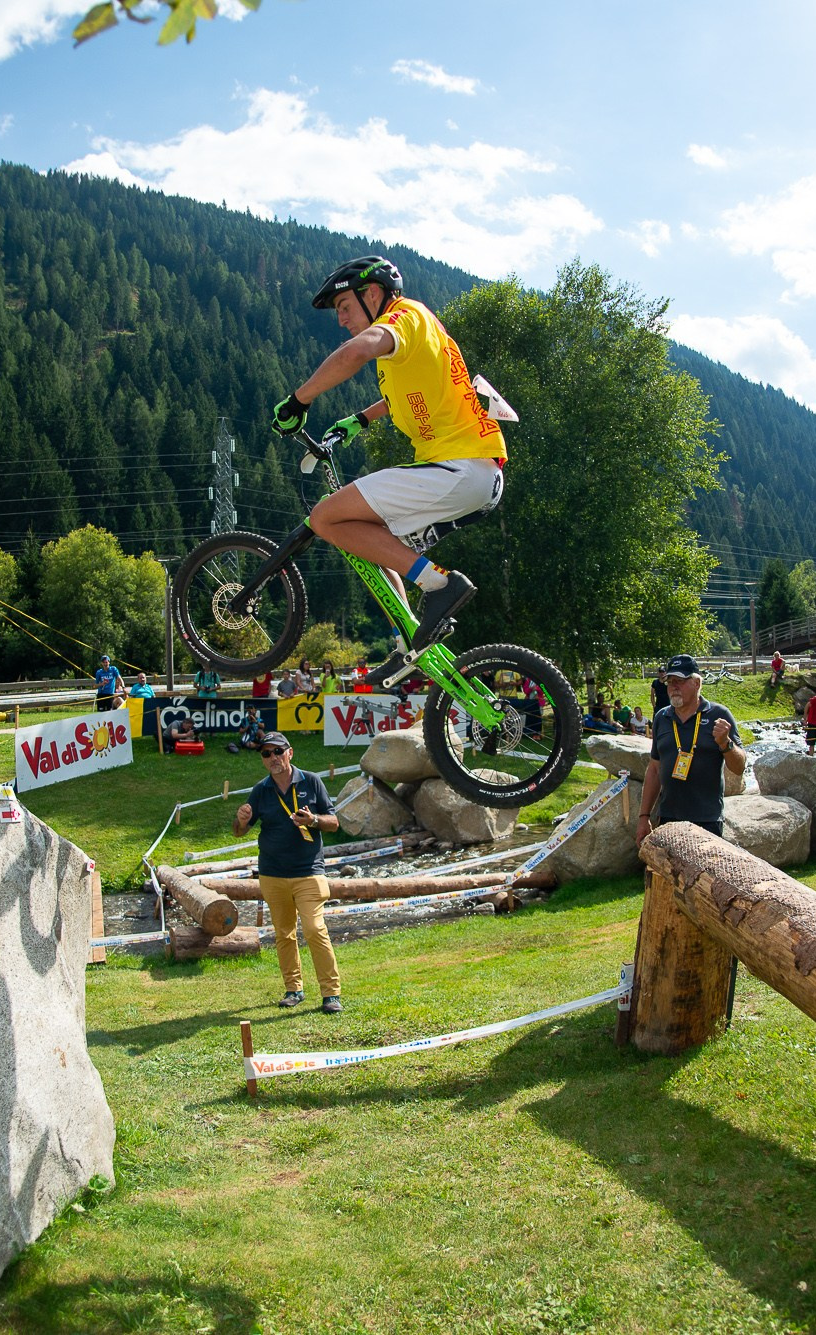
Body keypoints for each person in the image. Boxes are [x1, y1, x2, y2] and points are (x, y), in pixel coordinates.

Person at [270, 255, 508, 681]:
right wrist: (359, 420)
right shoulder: (412, 336)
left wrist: (299, 399)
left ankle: (440, 583)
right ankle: (407, 641)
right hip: (473, 476)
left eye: (344, 307)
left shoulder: (405, 317)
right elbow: (413, 393)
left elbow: (356, 351)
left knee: (325, 516)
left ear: (373, 294)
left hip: (459, 468)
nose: (340, 319)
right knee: (372, 541)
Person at [232, 733, 344, 1011]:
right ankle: (294, 990)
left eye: (277, 751)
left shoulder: (311, 781)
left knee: (314, 929)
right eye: (266, 753)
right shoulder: (261, 790)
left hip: (309, 872)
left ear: (290, 753)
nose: (272, 758)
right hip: (272, 873)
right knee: (284, 933)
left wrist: (314, 820)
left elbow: (334, 823)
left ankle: (331, 994)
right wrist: (241, 821)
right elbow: (238, 832)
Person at [636, 655, 746, 842]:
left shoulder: (719, 715)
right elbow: (654, 769)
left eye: (680, 681)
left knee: (706, 872)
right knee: (666, 871)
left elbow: (739, 767)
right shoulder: (662, 717)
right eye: (670, 682)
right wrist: (644, 816)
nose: (674, 687)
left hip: (707, 820)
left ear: (696, 683)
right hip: (669, 819)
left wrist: (725, 744)